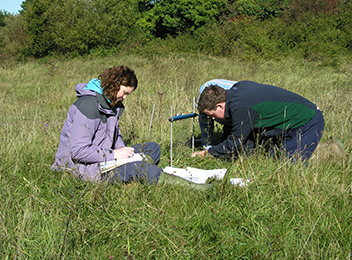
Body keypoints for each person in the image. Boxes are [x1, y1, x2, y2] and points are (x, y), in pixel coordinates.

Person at [51, 65, 213, 191]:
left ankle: (139, 175)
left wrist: (122, 151)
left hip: (106, 159)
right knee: (140, 167)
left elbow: (115, 136)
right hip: (84, 168)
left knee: (153, 148)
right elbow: (79, 152)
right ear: (114, 85)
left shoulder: (112, 103)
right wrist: (115, 154)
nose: (125, 98)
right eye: (125, 92)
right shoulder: (88, 106)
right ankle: (195, 187)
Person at [191, 81, 325, 161]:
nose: (213, 119)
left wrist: (208, 153)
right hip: (284, 124)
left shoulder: (242, 107)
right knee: (271, 157)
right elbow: (234, 129)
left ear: (220, 106)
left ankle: (325, 152)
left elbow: (235, 142)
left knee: (287, 164)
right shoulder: (234, 94)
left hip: (307, 121)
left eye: (212, 115)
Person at [197, 79, 238, 149]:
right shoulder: (205, 100)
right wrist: (207, 145)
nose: (212, 118)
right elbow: (205, 122)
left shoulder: (236, 96)